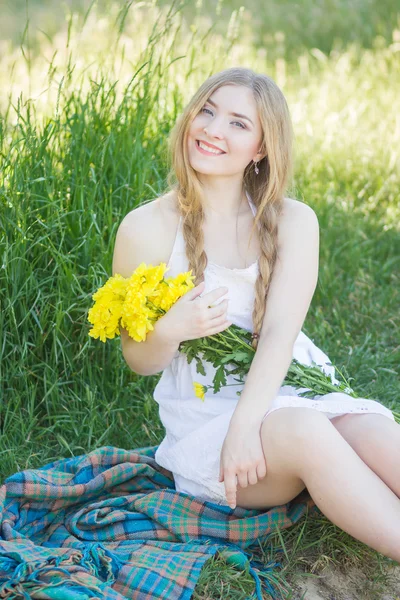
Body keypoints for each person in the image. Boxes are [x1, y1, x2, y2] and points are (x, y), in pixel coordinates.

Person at [112, 67, 400, 563]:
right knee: (305, 430)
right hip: (212, 424)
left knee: (373, 432)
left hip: (290, 389)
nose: (212, 129)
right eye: (206, 110)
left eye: (238, 124)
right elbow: (138, 359)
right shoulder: (146, 229)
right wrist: (173, 329)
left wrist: (249, 425)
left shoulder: (294, 221)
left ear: (262, 148)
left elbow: (280, 336)